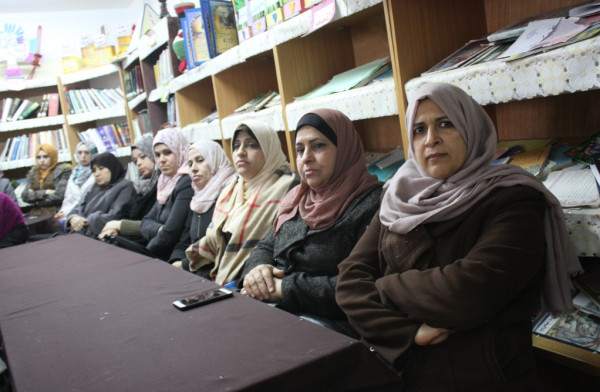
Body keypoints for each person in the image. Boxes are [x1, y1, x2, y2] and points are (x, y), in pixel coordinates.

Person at [335, 82, 583, 391]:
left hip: (481, 375)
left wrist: (383, 286)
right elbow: (349, 282)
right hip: (398, 370)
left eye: (445, 123)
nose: (431, 139)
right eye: (419, 130)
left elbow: (468, 292)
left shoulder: (514, 198)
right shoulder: (399, 199)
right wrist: (409, 331)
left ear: (471, 128)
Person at [239, 109, 382, 335]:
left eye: (318, 146)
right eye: (300, 149)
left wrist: (286, 288)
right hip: (280, 309)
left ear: (344, 150)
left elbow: (362, 286)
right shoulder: (296, 198)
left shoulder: (372, 204)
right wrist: (257, 270)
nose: (306, 157)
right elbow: (266, 245)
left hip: (332, 323)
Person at [185, 121, 300, 285]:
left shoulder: (289, 187)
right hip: (220, 276)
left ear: (269, 149)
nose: (240, 152)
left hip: (259, 282)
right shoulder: (231, 189)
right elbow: (213, 241)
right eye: (236, 146)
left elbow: (275, 249)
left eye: (251, 145)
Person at [105, 128, 194, 262]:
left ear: (180, 151)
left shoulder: (186, 182)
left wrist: (145, 255)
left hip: (171, 255)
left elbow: (170, 233)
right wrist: (158, 229)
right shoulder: (164, 182)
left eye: (167, 152)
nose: (162, 160)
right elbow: (146, 221)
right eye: (157, 155)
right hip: (158, 249)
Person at [173, 140, 236, 273]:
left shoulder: (231, 192)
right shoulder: (197, 198)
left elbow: (222, 245)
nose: (194, 169)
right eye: (190, 164)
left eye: (200, 160)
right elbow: (185, 240)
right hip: (195, 269)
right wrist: (174, 261)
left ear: (215, 160)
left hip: (219, 272)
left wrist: (184, 264)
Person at [98, 134, 159, 239]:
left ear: (153, 155)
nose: (139, 163)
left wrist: (120, 227)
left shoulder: (161, 184)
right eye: (135, 161)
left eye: (143, 157)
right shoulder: (138, 186)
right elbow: (125, 212)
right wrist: (113, 229)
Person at [66, 152, 134, 238]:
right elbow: (77, 208)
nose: (97, 174)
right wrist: (72, 218)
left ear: (112, 168)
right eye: (94, 170)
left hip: (101, 236)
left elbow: (116, 215)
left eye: (101, 169)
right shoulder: (92, 187)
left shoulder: (124, 186)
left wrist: (85, 222)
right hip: (80, 234)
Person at [54, 141, 99, 225]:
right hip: (71, 214)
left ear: (93, 154)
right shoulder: (74, 174)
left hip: (89, 214)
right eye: (80, 152)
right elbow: (68, 199)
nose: (83, 156)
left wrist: (69, 213)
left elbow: (91, 201)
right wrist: (63, 212)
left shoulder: (97, 173)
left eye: (87, 153)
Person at [21, 144, 71, 215]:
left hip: (57, 211)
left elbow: (59, 196)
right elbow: (25, 195)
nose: (42, 160)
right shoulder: (33, 173)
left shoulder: (63, 171)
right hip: (36, 212)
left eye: (45, 157)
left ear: (52, 156)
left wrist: (36, 200)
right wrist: (45, 192)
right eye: (38, 157)